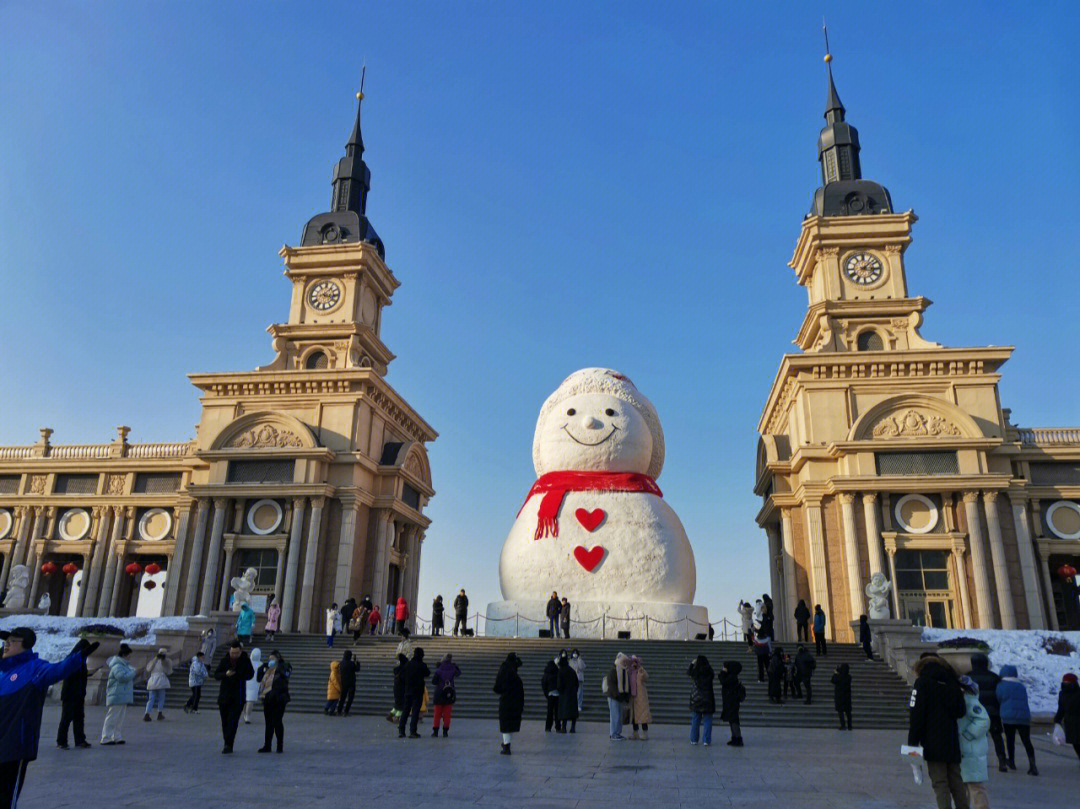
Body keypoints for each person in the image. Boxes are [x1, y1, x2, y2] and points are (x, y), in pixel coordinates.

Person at [0, 628, 96, 807]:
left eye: (11, 641)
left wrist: (77, 657)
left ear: (25, 645)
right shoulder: (2, 672)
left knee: (5, 797)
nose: (6, 645)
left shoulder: (35, 669)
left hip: (15, 745)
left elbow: (57, 670)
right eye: (5, 642)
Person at [907, 654, 968, 809]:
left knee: (940, 783)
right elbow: (961, 711)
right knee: (956, 781)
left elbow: (916, 717)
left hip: (932, 741)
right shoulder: (951, 681)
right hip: (951, 740)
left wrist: (912, 747)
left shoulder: (922, 683)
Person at [968, 653, 1007, 772]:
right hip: (993, 712)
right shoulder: (994, 677)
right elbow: (1000, 695)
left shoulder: (968, 677)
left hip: (976, 713)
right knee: (996, 736)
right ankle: (1002, 760)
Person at [214, 642, 255, 754]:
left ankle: (228, 744)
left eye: (236, 653)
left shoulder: (245, 661)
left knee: (233, 721)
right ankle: (227, 741)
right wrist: (225, 674)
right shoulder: (225, 660)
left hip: (238, 697)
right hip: (224, 696)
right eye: (232, 652)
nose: (234, 655)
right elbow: (216, 674)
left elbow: (250, 674)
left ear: (240, 651)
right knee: (225, 722)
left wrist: (238, 674)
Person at [996, 664, 1037, 775]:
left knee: (1010, 740)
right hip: (1024, 717)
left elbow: (999, 699)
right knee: (1026, 740)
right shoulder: (1021, 686)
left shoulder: (1001, 686)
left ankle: (1012, 761)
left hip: (1008, 717)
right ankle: (1033, 765)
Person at [958, 675, 991, 809]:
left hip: (971, 751)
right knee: (963, 787)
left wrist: (967, 735)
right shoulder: (965, 700)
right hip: (967, 750)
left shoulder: (969, 701)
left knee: (975, 787)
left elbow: (983, 720)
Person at [56, 640, 95, 749]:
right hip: (70, 694)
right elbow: (71, 675)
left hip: (79, 693)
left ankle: (80, 740)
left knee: (79, 717)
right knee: (66, 718)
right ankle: (61, 741)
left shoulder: (80, 659)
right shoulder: (72, 659)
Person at [100, 643, 135, 746]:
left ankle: (116, 736)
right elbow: (122, 677)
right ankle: (106, 737)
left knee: (119, 718)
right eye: (129, 655)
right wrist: (134, 673)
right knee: (112, 717)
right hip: (117, 694)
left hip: (122, 695)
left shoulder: (124, 665)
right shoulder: (117, 666)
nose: (130, 657)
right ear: (125, 655)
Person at [256, 649, 290, 753]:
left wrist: (277, 667)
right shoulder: (268, 669)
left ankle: (280, 745)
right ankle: (267, 745)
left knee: (277, 721)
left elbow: (286, 675)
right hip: (268, 698)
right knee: (268, 722)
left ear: (278, 659)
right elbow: (259, 679)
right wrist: (262, 667)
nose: (270, 661)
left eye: (272, 659)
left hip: (279, 698)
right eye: (269, 659)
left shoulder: (285, 666)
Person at [493, 652, 524, 755]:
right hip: (515, 702)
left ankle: (506, 746)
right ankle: (507, 744)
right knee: (510, 724)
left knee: (505, 724)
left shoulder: (503, 670)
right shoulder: (516, 677)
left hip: (506, 700)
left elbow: (497, 687)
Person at [398, 648, 430, 738]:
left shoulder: (408, 664)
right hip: (418, 691)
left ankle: (401, 730)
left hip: (408, 690)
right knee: (415, 711)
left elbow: (401, 677)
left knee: (406, 710)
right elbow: (428, 673)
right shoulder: (422, 665)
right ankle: (412, 731)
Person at [688, 654, 715, 746]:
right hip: (708, 698)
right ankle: (706, 740)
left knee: (696, 719)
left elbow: (689, 672)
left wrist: (692, 663)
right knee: (708, 720)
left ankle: (694, 739)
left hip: (697, 699)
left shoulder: (696, 672)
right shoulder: (709, 672)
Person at [431, 654, 461, 737]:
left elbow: (434, 681)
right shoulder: (453, 668)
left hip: (439, 693)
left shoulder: (439, 669)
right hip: (449, 693)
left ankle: (435, 731)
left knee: (437, 713)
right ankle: (445, 731)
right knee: (447, 714)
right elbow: (458, 674)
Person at [604, 653, 631, 741]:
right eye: (623, 661)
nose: (625, 663)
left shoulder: (624, 672)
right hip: (613, 697)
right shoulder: (613, 671)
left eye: (625, 662)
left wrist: (626, 697)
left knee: (619, 716)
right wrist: (617, 695)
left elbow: (626, 685)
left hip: (620, 698)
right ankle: (613, 734)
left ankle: (618, 733)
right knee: (615, 715)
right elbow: (611, 685)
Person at [1053, 673, 1080, 762]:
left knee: (1076, 743)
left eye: (1067, 681)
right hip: (1070, 722)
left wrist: (1058, 719)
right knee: (1075, 743)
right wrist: (1057, 720)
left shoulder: (1067, 693)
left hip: (1075, 721)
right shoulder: (1062, 694)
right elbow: (1061, 708)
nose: (1065, 683)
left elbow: (1061, 708)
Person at [719, 660, 746, 747]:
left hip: (731, 701)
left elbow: (722, 681)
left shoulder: (732, 677)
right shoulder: (732, 676)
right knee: (732, 719)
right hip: (730, 701)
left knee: (733, 719)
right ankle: (734, 737)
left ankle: (738, 738)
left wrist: (723, 672)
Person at [143, 647, 173, 721]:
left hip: (154, 681)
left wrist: (162, 661)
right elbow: (169, 672)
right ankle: (158, 713)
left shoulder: (166, 661)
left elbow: (168, 671)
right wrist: (156, 659)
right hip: (160, 681)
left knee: (152, 698)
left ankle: (148, 713)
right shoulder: (155, 661)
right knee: (160, 698)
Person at [628, 655, 650, 740]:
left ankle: (645, 733)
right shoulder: (629, 672)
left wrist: (640, 668)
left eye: (635, 662)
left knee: (643, 715)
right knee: (634, 716)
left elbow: (646, 677)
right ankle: (635, 733)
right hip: (632, 697)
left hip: (640, 697)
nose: (634, 664)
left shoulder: (640, 671)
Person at [557, 652, 579, 734]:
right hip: (572, 693)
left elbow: (559, 684)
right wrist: (575, 690)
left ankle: (564, 727)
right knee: (573, 711)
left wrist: (560, 690)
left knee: (564, 711)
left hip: (564, 694)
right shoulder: (572, 671)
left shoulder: (561, 671)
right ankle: (573, 727)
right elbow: (576, 682)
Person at [243, 648, 261, 724]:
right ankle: (247, 715)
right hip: (254, 684)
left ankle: (246, 715)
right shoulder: (261, 664)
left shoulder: (246, 663)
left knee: (247, 701)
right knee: (250, 701)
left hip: (247, 683)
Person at [542, 655, 560, 732]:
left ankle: (548, 727)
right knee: (557, 712)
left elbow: (543, 684)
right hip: (557, 694)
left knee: (549, 712)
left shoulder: (546, 674)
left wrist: (546, 693)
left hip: (550, 694)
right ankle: (558, 726)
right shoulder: (557, 673)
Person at [389, 653, 408, 724]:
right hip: (402, 688)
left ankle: (390, 715)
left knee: (397, 703)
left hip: (396, 688)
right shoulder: (405, 670)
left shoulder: (396, 669)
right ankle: (397, 717)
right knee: (402, 704)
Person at [832, 662, 852, 730]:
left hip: (839, 696)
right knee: (848, 712)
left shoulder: (838, 677)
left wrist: (835, 673)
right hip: (847, 696)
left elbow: (833, 680)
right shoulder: (849, 677)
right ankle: (850, 725)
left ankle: (843, 725)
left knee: (840, 712)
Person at [337, 650, 357, 716]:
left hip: (343, 683)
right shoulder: (351, 663)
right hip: (351, 683)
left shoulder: (341, 663)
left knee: (342, 697)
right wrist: (357, 662)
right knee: (350, 698)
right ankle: (346, 711)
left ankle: (339, 710)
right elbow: (357, 669)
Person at [569, 649, 586, 713]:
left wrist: (579, 659)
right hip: (572, 679)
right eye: (574, 653)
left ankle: (579, 705)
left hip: (579, 679)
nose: (575, 654)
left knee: (579, 693)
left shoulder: (580, 660)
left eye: (576, 653)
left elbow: (582, 667)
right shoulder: (570, 661)